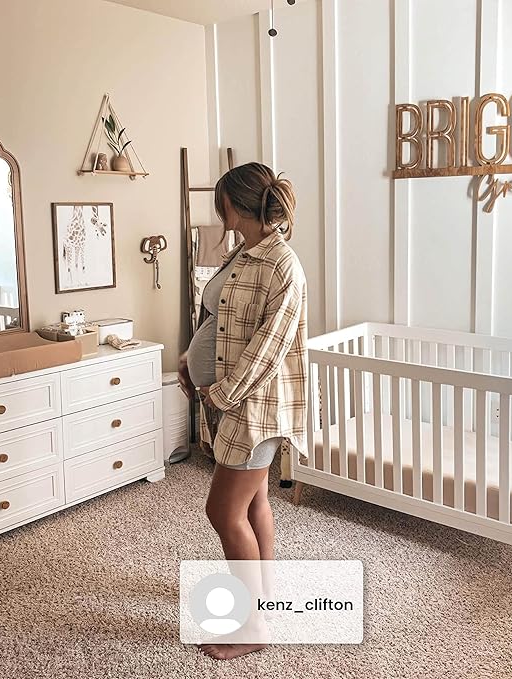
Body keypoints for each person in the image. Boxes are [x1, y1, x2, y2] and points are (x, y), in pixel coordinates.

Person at [178, 162, 308, 660]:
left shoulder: (281, 265)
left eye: (222, 204)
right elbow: (218, 320)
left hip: (254, 406)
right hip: (230, 397)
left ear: (234, 205)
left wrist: (220, 394)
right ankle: (263, 600)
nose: (220, 213)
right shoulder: (242, 253)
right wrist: (191, 361)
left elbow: (268, 350)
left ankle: (252, 627)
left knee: (223, 510)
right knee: (254, 504)